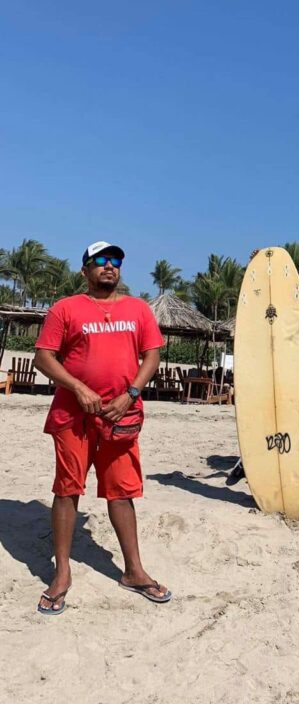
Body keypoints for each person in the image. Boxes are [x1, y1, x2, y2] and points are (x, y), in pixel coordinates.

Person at [33, 241, 171, 614]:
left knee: (121, 492)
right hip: (73, 415)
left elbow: (152, 354)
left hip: (121, 415)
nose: (109, 266)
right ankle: (61, 574)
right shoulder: (66, 308)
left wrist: (130, 394)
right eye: (100, 261)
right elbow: (44, 357)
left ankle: (134, 571)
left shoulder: (137, 309)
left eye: (115, 261)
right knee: (67, 489)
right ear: (85, 270)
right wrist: (78, 387)